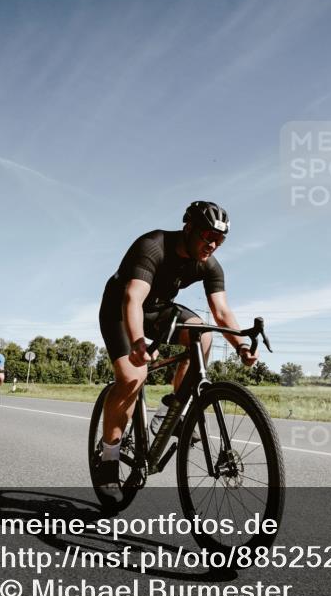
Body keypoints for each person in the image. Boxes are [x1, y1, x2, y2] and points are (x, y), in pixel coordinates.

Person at [96, 201, 258, 494]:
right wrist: (137, 343)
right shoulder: (153, 246)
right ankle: (109, 456)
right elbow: (132, 298)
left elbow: (221, 313)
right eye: (208, 236)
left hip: (158, 309)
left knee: (203, 335)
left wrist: (241, 346)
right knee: (132, 377)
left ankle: (172, 411)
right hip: (119, 310)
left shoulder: (209, 265)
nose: (213, 245)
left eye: (220, 240)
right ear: (189, 228)